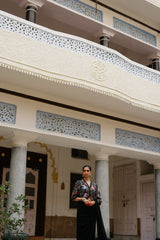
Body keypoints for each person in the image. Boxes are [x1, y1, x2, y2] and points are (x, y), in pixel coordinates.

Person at [71, 165, 108, 240]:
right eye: (84, 170)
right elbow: (73, 197)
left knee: (91, 230)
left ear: (90, 172)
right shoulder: (79, 183)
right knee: (82, 230)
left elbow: (99, 199)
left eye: (88, 171)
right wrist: (83, 199)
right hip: (82, 210)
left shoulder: (94, 185)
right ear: (82, 172)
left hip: (92, 210)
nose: (86, 172)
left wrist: (94, 202)